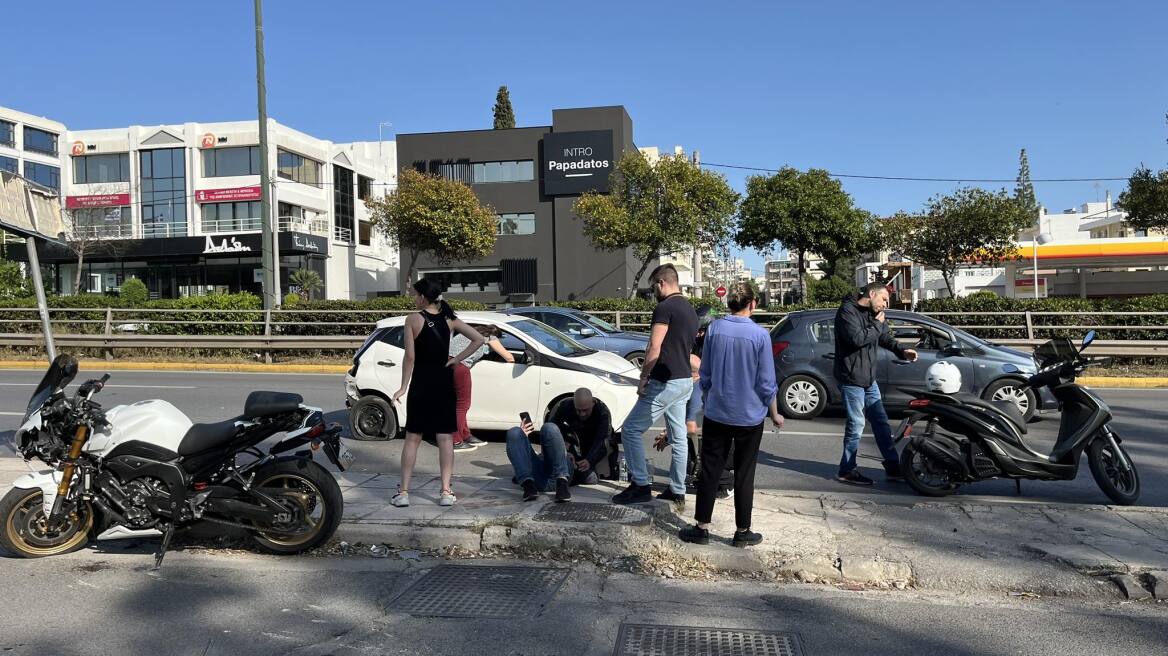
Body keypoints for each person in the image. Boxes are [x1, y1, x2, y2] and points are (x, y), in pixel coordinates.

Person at [679, 283, 783, 548]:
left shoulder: (714, 330)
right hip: (750, 414)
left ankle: (701, 526)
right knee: (745, 473)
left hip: (718, 411)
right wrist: (773, 411)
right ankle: (742, 530)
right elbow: (766, 381)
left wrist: (708, 394)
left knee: (711, 469)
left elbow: (707, 372)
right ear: (753, 303)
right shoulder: (760, 335)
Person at [390, 279, 486, 507]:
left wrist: (403, 386)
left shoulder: (412, 320)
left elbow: (410, 357)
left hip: (421, 384)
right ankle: (445, 491)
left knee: (413, 438)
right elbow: (479, 339)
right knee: (445, 438)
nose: (414, 299)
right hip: (444, 383)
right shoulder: (449, 319)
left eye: (415, 295)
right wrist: (455, 361)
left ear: (423, 297)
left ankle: (403, 493)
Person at [612, 264, 698, 506]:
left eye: (653, 287)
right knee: (679, 437)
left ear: (662, 283)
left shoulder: (665, 308)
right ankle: (677, 490)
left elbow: (654, 347)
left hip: (664, 382)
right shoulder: (690, 310)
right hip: (684, 380)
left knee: (630, 430)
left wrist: (643, 378)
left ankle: (640, 485)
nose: (654, 293)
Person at [833, 281, 919, 486]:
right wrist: (877, 324)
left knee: (881, 422)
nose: (885, 305)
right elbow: (857, 339)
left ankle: (893, 467)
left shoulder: (875, 315)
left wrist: (902, 350)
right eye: (883, 299)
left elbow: (884, 337)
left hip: (869, 379)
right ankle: (846, 470)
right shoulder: (847, 312)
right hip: (851, 378)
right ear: (872, 294)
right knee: (857, 425)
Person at [506, 389, 612, 502]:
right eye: (578, 410)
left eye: (585, 410)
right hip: (540, 474)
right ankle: (528, 485)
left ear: (593, 403)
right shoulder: (564, 406)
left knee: (549, 428)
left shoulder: (602, 412)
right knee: (515, 432)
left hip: (564, 469)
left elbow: (602, 442)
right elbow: (548, 440)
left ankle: (562, 483)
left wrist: (588, 461)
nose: (582, 414)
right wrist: (524, 437)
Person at [450, 324, 515, 452]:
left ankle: (465, 434)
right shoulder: (490, 337)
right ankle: (455, 441)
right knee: (462, 405)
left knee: (455, 404)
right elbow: (509, 357)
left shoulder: (466, 333)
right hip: (459, 367)